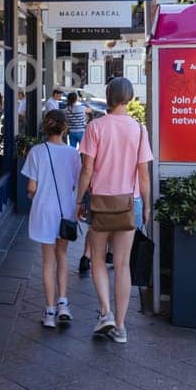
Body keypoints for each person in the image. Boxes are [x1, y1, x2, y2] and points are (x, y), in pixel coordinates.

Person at [75, 77, 152, 345]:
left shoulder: (95, 127)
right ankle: (120, 327)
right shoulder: (139, 130)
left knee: (97, 259)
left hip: (99, 202)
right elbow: (143, 175)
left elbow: (86, 170)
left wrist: (78, 200)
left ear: (108, 97)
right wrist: (147, 205)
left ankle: (105, 312)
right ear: (129, 98)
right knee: (121, 265)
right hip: (129, 203)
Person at [22, 110, 81, 331]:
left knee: (47, 261)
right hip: (65, 210)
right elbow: (76, 183)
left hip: (44, 210)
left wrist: (31, 195)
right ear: (65, 128)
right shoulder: (72, 154)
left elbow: (31, 188)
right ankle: (63, 303)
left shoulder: (36, 152)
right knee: (62, 256)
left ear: (45, 128)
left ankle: (49, 310)